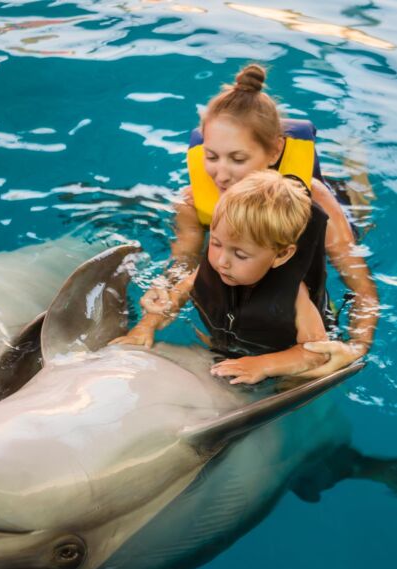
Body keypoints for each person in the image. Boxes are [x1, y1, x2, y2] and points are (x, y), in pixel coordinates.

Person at [138, 63, 378, 376]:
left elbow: (362, 290)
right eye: (211, 156)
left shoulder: (313, 200)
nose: (221, 175)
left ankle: (355, 162)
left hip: (328, 201)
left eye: (238, 159)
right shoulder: (193, 201)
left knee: (362, 212)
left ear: (275, 150)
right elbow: (184, 263)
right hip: (250, 253)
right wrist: (163, 291)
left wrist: (355, 347)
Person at [112, 171, 329, 384]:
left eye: (240, 254)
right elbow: (176, 295)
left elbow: (317, 352)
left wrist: (264, 365)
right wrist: (146, 325)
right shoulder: (214, 266)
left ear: (281, 255)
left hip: (269, 356)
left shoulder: (295, 296)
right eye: (216, 243)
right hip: (224, 343)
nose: (221, 261)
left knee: (291, 384)